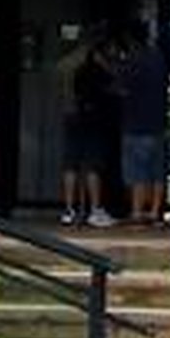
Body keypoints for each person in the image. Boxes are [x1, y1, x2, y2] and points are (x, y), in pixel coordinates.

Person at [117, 18, 170, 229]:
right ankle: (155, 211)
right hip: (158, 122)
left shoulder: (132, 60)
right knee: (157, 171)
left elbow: (121, 88)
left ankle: (137, 212)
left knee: (137, 172)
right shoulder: (158, 58)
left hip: (135, 125)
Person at [63, 33, 121, 229]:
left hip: (73, 117)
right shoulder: (100, 72)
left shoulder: (76, 69)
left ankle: (69, 209)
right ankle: (95, 209)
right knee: (93, 166)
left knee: (71, 164)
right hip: (93, 122)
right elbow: (115, 87)